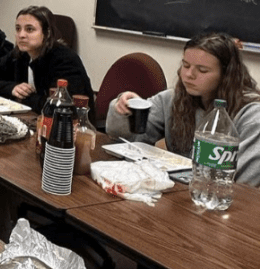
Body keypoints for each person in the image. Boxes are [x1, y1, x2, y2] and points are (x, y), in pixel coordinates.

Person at [107, 33, 260, 186]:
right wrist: (126, 110)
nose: (188, 75)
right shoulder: (172, 98)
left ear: (226, 75)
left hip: (220, 200)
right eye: (185, 65)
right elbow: (129, 141)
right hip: (182, 192)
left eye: (202, 70)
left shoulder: (252, 116)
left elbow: (244, 186)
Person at [0, 5, 95, 116]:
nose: (21, 35)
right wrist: (11, 88)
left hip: (71, 128)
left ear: (47, 33)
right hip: (32, 117)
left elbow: (59, 107)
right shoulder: (20, 54)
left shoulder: (65, 59)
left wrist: (22, 97)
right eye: (18, 29)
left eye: (29, 29)